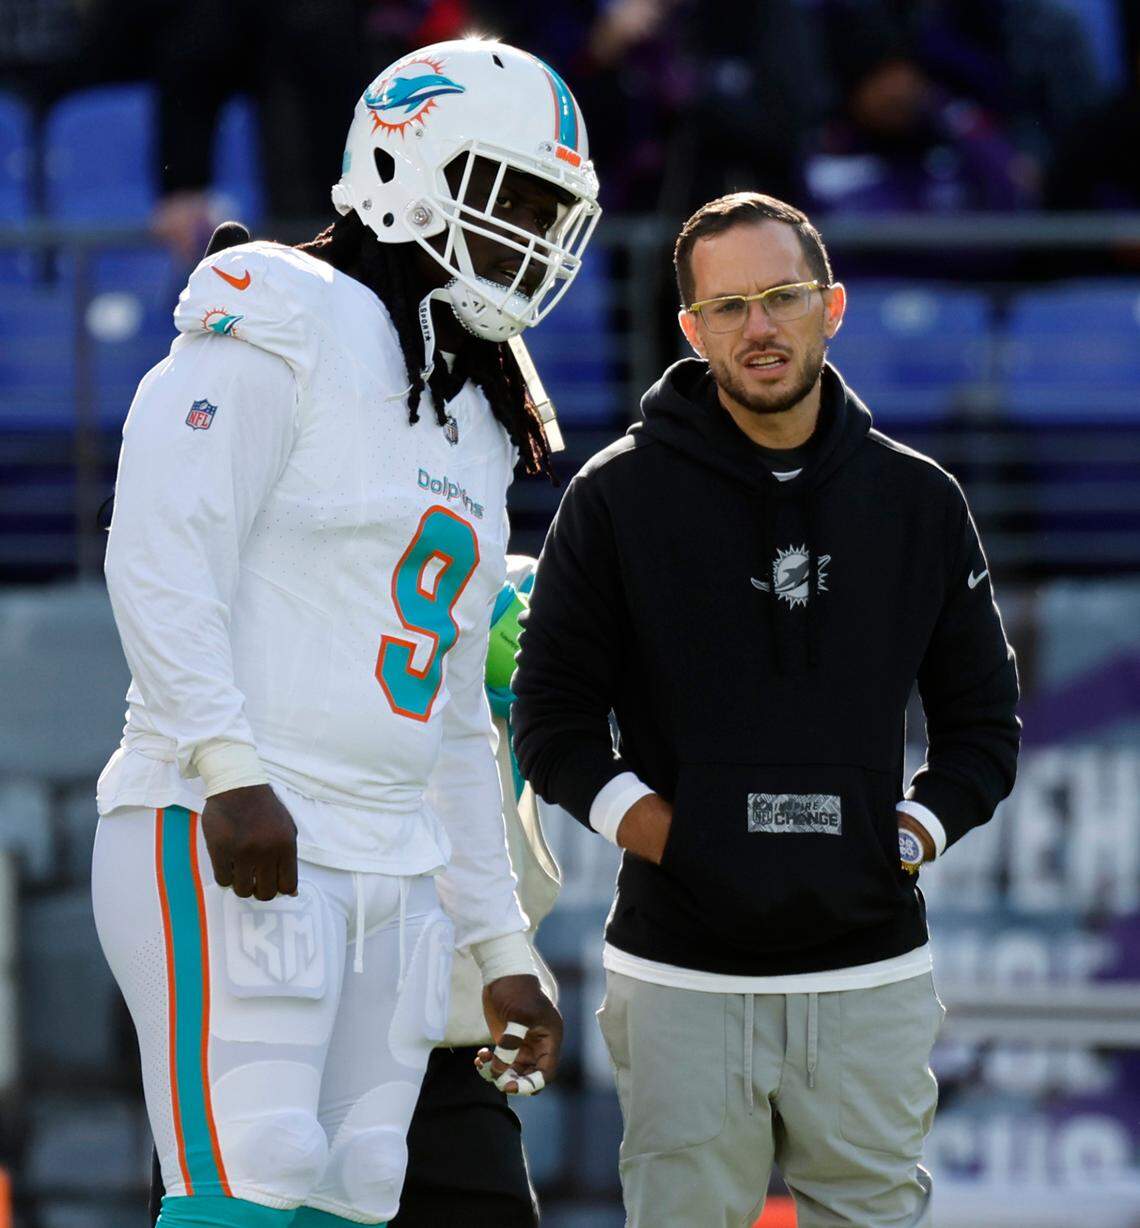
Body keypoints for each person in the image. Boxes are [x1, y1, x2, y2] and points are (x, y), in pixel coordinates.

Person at [93, 37, 599, 1228]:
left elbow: (457, 714)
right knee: (253, 1165)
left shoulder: (473, 402)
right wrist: (229, 770)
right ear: (399, 163)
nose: (530, 234)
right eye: (507, 193)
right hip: (233, 820)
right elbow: (160, 555)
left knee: (361, 1185)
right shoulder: (283, 310)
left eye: (550, 209)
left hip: (389, 853)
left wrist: (495, 937)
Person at [512, 191, 1020, 1227]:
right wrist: (676, 838)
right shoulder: (614, 499)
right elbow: (553, 721)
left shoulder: (919, 501)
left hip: (870, 972)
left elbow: (983, 728)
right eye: (730, 306)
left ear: (830, 306)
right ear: (692, 331)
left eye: (782, 296)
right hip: (679, 977)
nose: (760, 327)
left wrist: (909, 837)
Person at [143, 557, 562, 1228]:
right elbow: (170, 597)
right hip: (253, 1016)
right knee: (245, 1190)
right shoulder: (248, 559)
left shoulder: (498, 571)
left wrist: (504, 959)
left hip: (441, 1037)